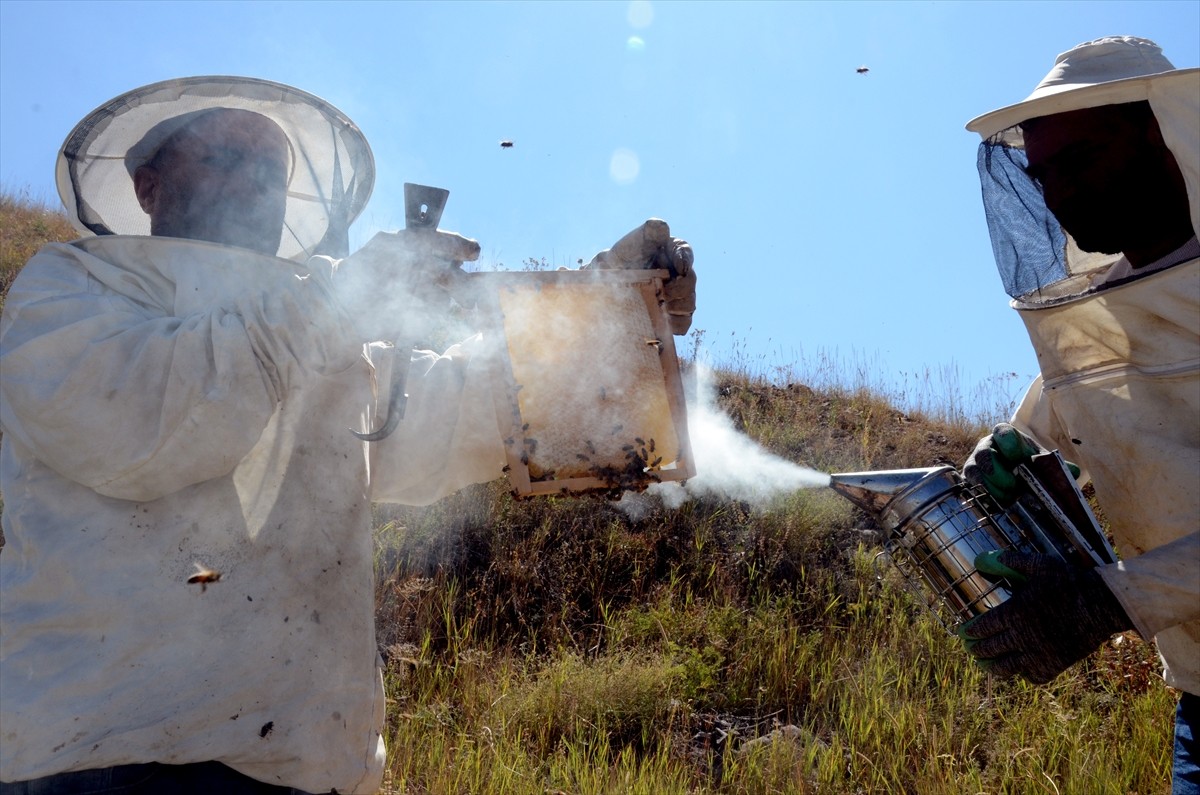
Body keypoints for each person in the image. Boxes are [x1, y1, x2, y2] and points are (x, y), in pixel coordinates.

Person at [0, 77, 697, 794]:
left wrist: (608, 319)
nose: (255, 184)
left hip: (303, 761)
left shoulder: (330, 336)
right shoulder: (72, 289)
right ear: (148, 185)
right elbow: (138, 426)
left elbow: (480, 412)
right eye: (226, 160)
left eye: (272, 172)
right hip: (101, 755)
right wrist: (343, 299)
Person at [956, 36, 1199, 791]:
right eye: (1042, 172)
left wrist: (1113, 596)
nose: (1057, 193)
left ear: (1162, 135)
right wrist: (999, 459)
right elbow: (1044, 428)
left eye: (1080, 159)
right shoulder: (1110, 305)